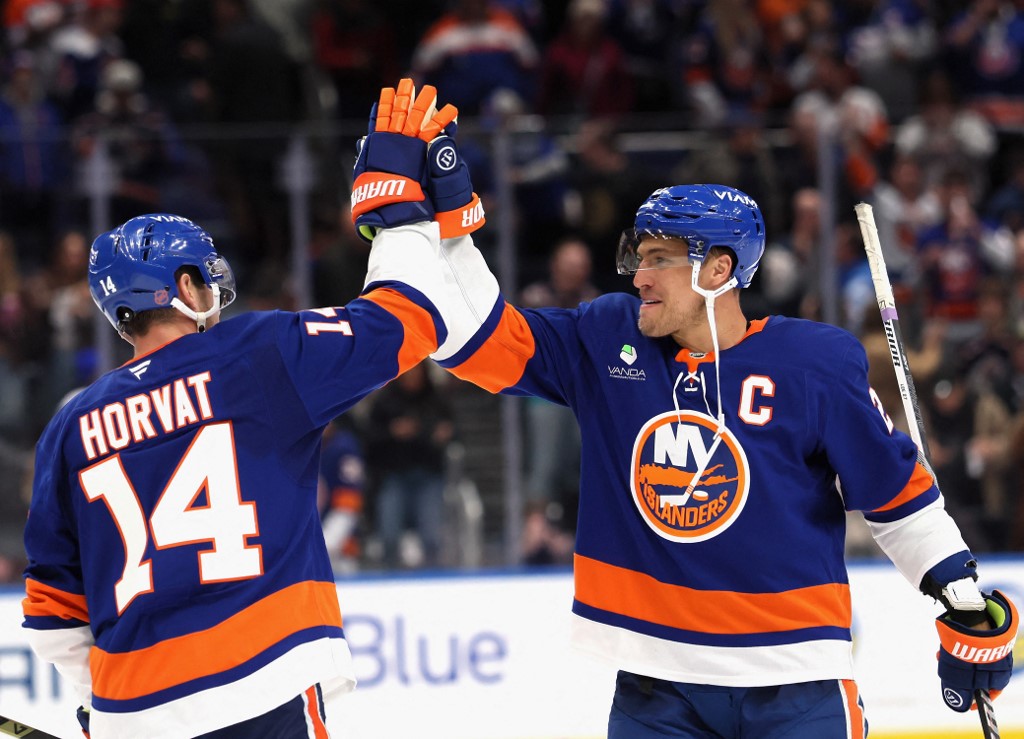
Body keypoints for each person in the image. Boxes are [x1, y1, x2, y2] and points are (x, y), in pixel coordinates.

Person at [358, 81, 1017, 736]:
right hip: (656, 689)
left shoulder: (812, 363)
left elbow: (894, 490)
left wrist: (957, 591)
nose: (638, 275)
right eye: (639, 257)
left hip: (795, 683)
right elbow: (479, 339)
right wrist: (445, 228)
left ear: (717, 269)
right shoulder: (608, 338)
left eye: (660, 259)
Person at [20, 82, 478, 738]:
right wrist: (396, 212)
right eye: (205, 279)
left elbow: (52, 612)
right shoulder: (256, 354)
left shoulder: (70, 425)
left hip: (135, 712)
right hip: (263, 681)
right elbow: (410, 321)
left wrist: (106, 707)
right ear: (183, 288)